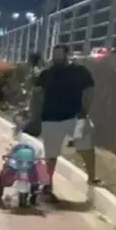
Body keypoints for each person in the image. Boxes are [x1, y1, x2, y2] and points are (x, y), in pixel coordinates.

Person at [29, 43, 99, 202]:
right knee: (51, 155)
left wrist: (84, 111)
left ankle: (92, 177)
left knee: (86, 147)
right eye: (54, 55)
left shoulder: (79, 72)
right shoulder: (46, 74)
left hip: (75, 117)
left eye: (58, 54)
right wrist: (35, 115)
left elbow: (89, 91)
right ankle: (48, 185)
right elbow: (37, 94)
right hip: (50, 118)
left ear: (67, 55)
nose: (55, 58)